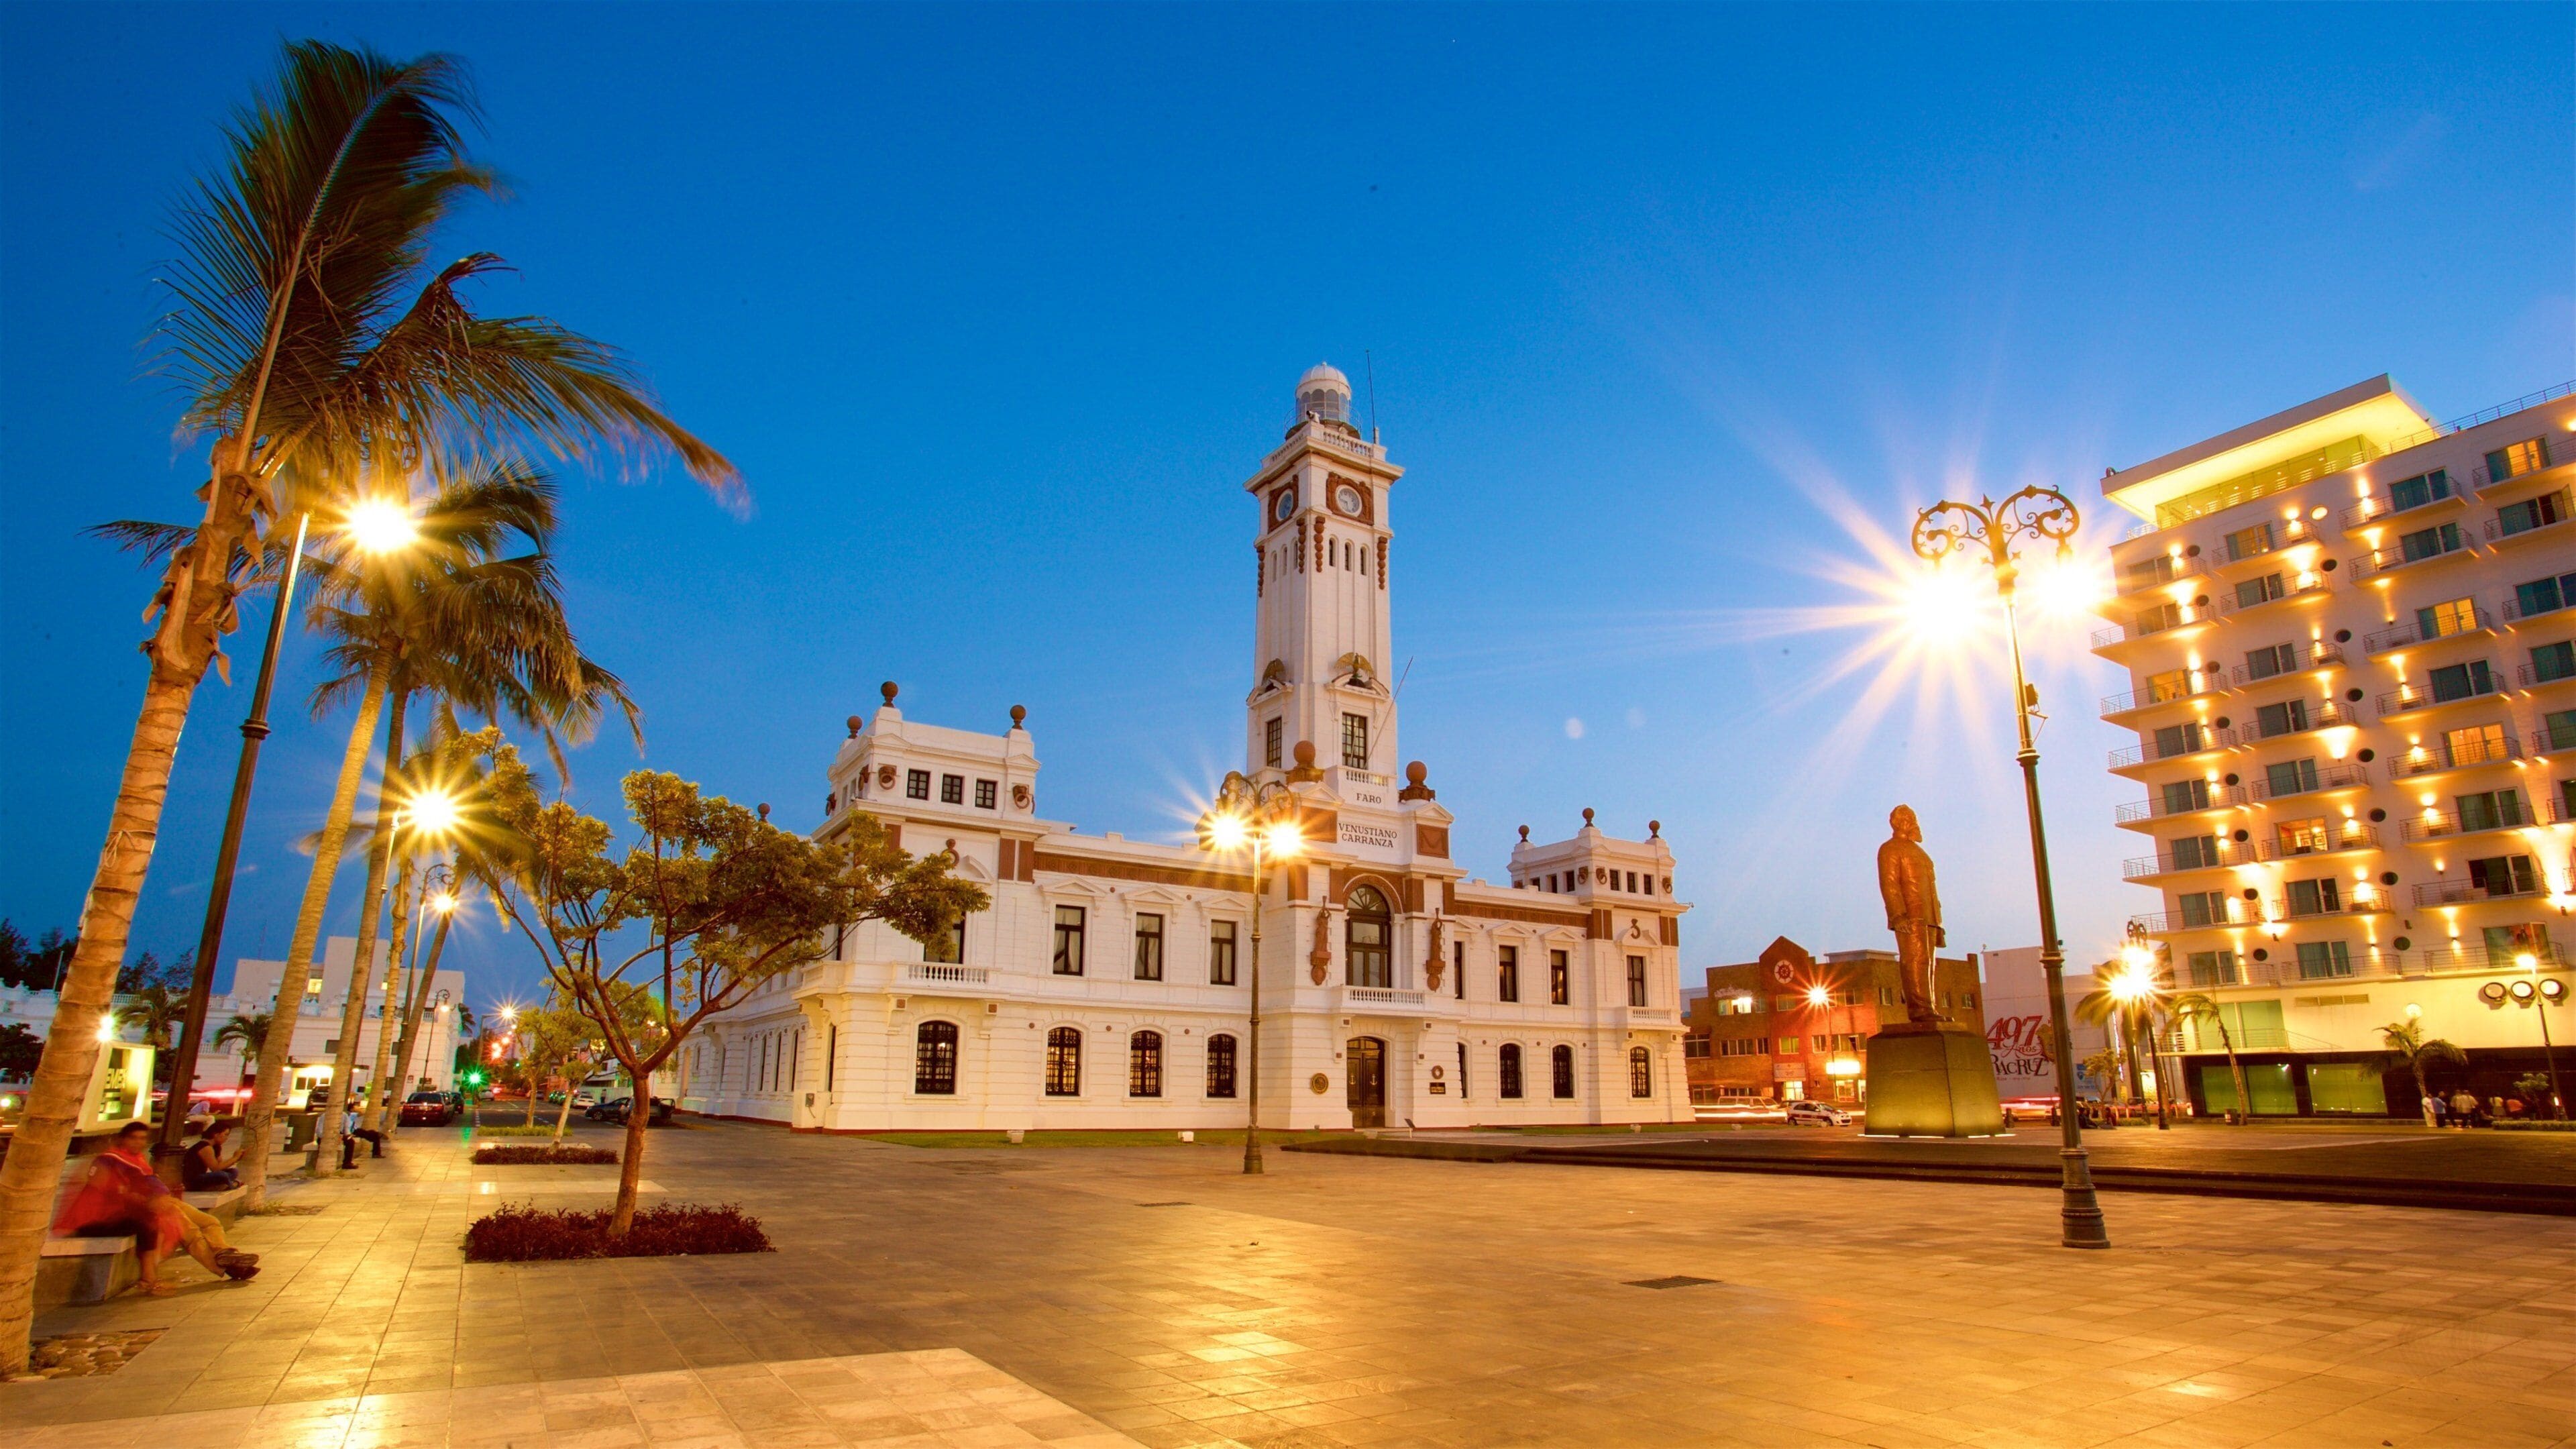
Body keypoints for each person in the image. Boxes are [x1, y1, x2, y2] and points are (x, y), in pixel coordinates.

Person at [52, 1121, 258, 1295]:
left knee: (210, 1221)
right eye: (134, 1138)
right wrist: (147, 1199)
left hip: (156, 1202)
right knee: (188, 1229)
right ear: (123, 1139)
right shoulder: (108, 1160)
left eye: (142, 1138)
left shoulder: (137, 1159)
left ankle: (224, 1253)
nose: (139, 1143)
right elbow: (106, 1191)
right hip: (112, 1215)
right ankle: (228, 1267)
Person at [182, 1117, 242, 1191]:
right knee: (222, 1176)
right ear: (216, 1134)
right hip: (193, 1180)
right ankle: (229, 1185)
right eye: (225, 1135)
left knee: (234, 1171)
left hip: (202, 1176)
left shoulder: (215, 1147)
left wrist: (237, 1158)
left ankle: (226, 1185)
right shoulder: (205, 1147)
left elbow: (221, 1166)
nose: (226, 1138)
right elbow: (215, 1169)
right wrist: (235, 1158)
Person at [340, 1103, 386, 1168]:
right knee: (373, 1135)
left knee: (373, 1134)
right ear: (351, 1109)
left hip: (354, 1130)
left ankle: (375, 1137)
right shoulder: (351, 1114)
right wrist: (355, 1110)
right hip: (354, 1131)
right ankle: (376, 1151)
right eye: (354, 1107)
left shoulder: (347, 1115)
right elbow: (361, 1113)